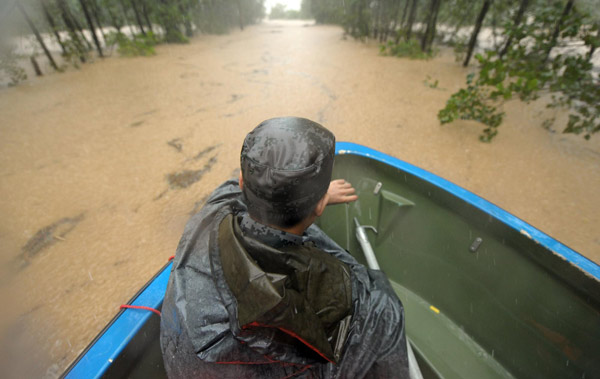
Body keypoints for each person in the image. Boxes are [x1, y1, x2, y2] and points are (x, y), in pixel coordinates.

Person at [160, 117, 410, 378]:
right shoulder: (377, 310)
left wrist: (314, 196)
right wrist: (315, 197)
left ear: (242, 183)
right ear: (320, 206)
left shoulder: (215, 208)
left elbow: (247, 189)